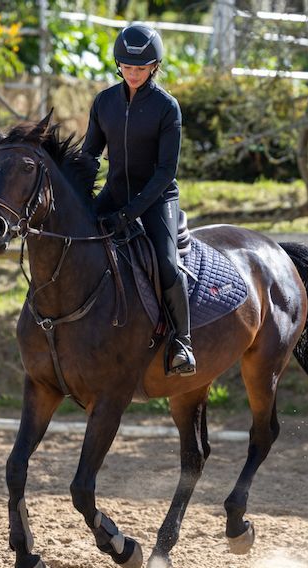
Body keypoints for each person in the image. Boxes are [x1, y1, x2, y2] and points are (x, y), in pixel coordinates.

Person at [82, 23, 196, 376]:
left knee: (166, 264)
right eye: (127, 68)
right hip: (115, 192)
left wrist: (130, 215)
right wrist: (79, 198)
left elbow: (165, 172)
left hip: (157, 199)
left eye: (141, 68)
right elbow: (89, 156)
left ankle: (183, 342)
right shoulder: (104, 103)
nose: (133, 74)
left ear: (154, 68)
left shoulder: (167, 108)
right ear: (119, 66)